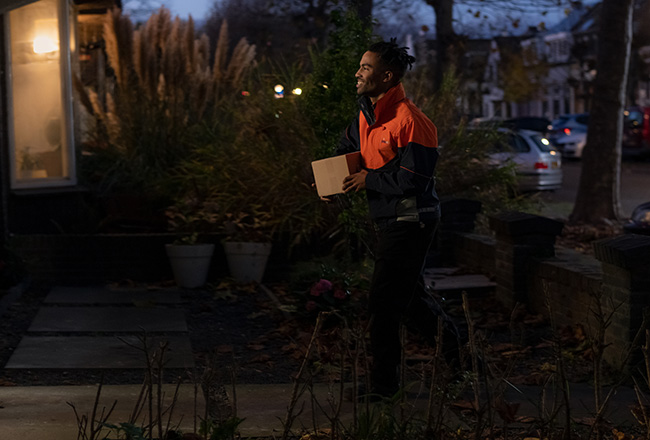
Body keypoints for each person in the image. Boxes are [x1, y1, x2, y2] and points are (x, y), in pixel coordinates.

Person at [334, 39, 460, 399]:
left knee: (383, 303)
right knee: (411, 300)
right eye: (360, 66)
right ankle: (463, 358)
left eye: (366, 67)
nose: (358, 73)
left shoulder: (412, 121)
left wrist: (367, 179)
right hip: (389, 218)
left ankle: (384, 386)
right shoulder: (366, 114)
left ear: (387, 76)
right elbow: (346, 150)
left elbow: (413, 179)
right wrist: (328, 178)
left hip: (412, 218)